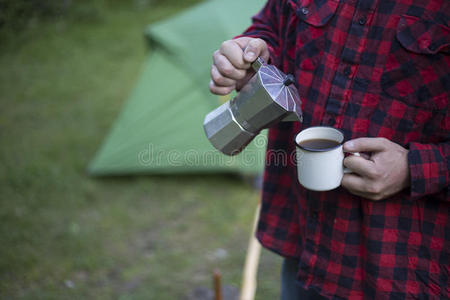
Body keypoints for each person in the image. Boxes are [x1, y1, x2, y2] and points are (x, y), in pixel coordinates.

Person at [209, 0, 449, 299]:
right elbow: (273, 25)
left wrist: (414, 168)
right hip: (305, 244)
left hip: (404, 269)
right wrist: (248, 55)